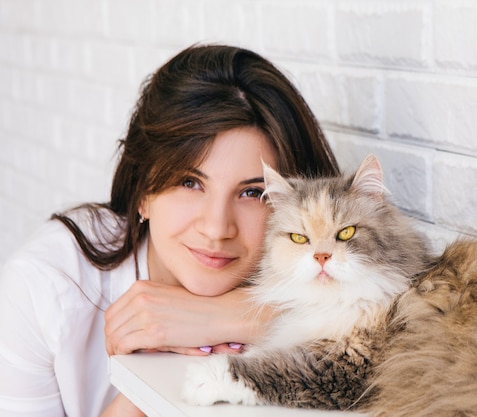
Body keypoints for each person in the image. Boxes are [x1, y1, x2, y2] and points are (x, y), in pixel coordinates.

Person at [0, 44, 339, 417]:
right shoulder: (43, 287)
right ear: (143, 190)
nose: (216, 228)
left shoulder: (318, 273)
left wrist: (226, 317)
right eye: (190, 183)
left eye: (252, 193)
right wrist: (146, 386)